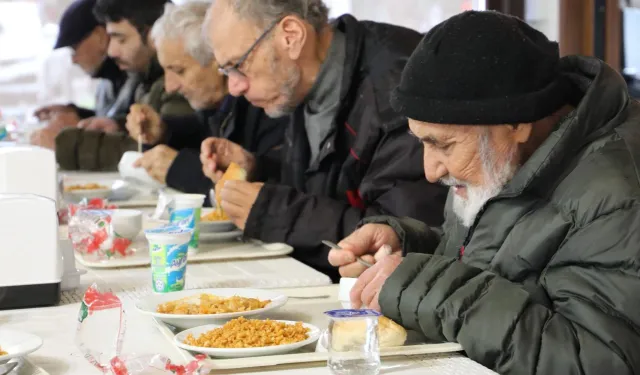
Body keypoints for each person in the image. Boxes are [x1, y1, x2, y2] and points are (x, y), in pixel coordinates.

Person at [331, 11, 640, 375]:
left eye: (442, 145)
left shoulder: (618, 192)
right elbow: (504, 264)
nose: (431, 171)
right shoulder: (504, 153)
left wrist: (423, 284)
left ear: (517, 122)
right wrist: (410, 250)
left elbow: (595, 361)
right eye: (422, 143)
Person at [202, 0, 448, 281]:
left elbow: (406, 236)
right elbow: (331, 185)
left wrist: (276, 212)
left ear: (291, 36)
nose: (234, 87)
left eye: (238, 65)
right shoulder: (302, 80)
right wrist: (258, 168)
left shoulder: (395, 89)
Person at [125, 1, 286, 198]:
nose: (169, 87)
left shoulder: (269, 104)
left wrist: (181, 170)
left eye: (179, 71)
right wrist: (163, 132)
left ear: (217, 60)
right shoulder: (220, 107)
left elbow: (276, 186)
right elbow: (202, 132)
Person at [54, 0, 194, 171]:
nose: (111, 51)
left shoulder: (174, 84)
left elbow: (161, 150)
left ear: (152, 36)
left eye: (121, 39)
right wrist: (118, 125)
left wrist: (66, 145)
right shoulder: (144, 80)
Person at [30, 0, 136, 148]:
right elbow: (112, 120)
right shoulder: (107, 84)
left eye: (75, 48)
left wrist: (69, 141)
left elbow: (135, 140)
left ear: (99, 36)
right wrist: (76, 114)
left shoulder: (138, 76)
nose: (73, 60)